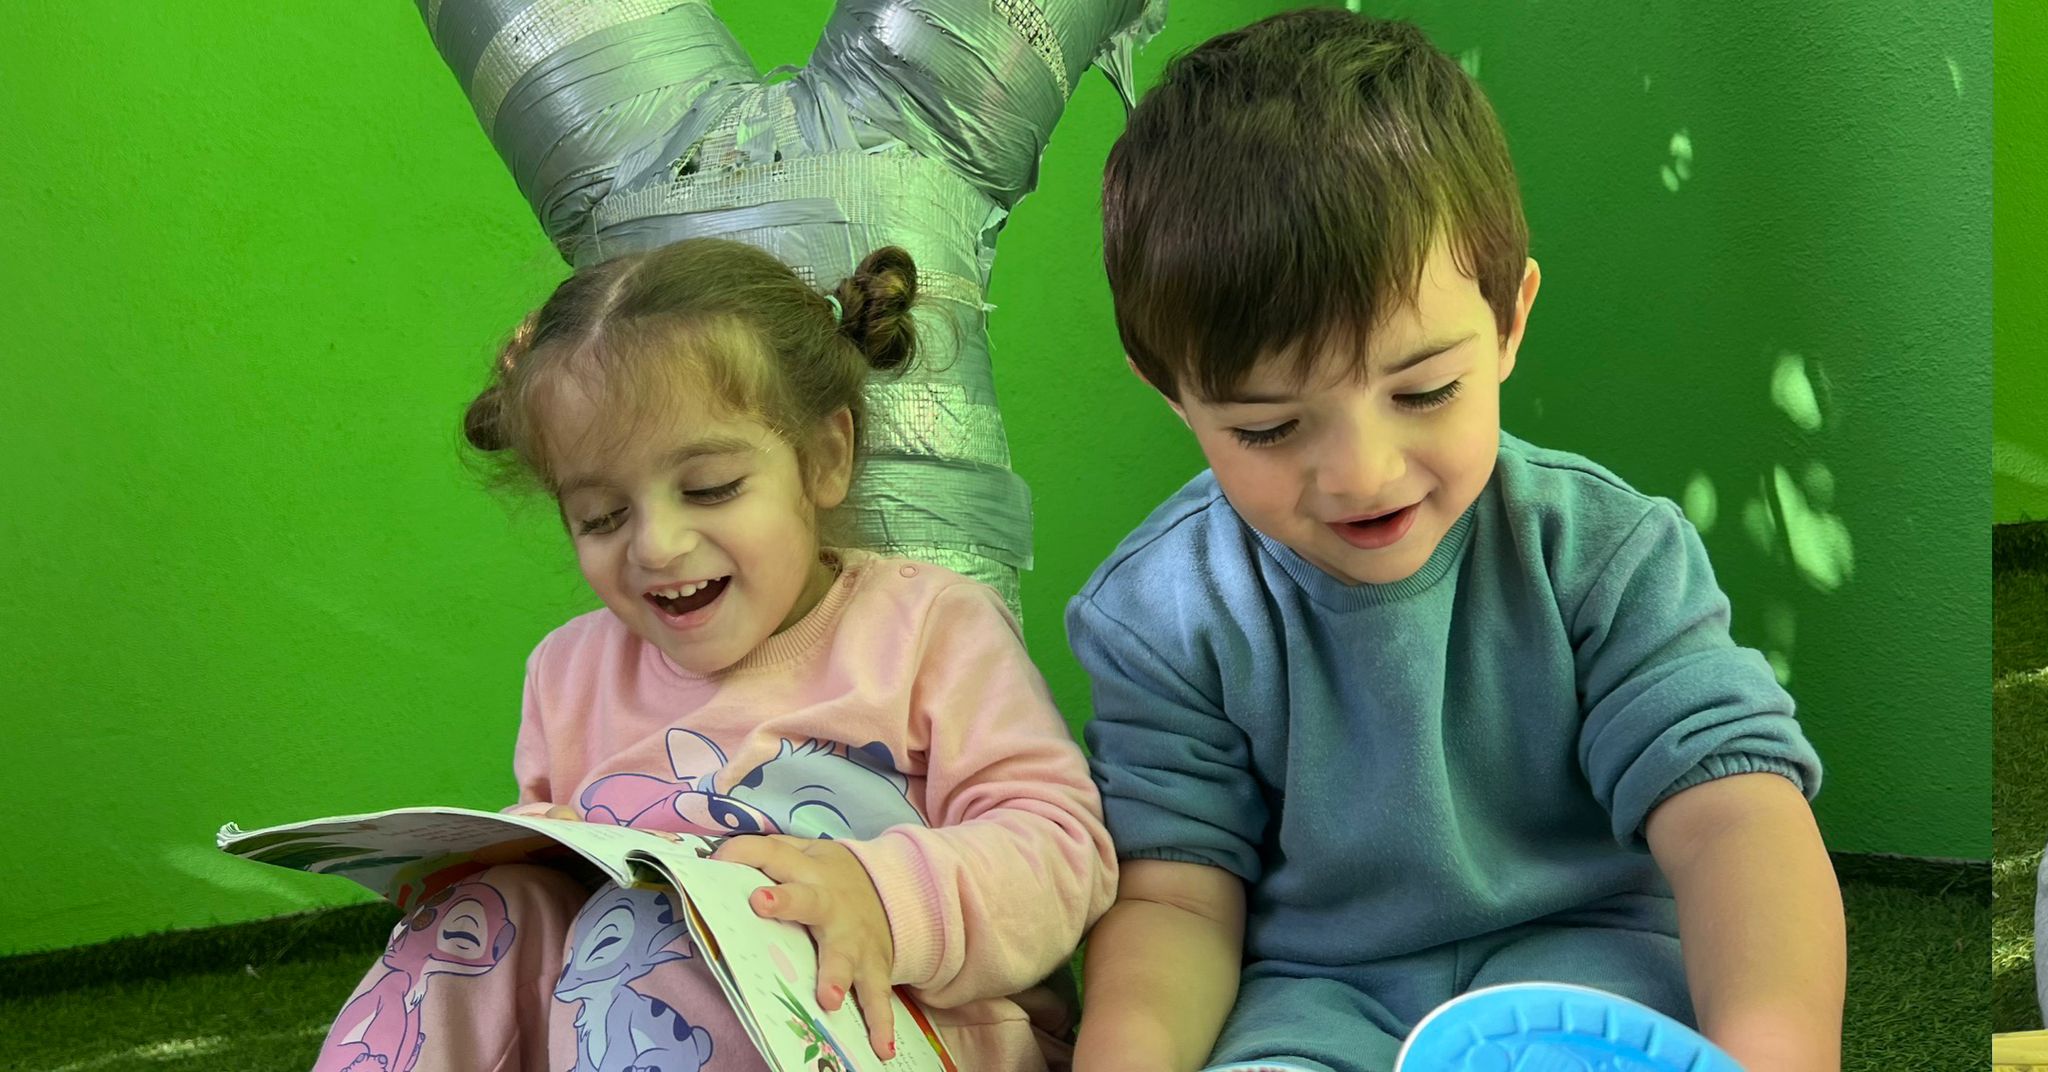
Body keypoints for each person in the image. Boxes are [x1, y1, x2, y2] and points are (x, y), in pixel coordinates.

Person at [1066, 10, 1843, 1072]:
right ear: (1172, 393)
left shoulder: (1604, 553)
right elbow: (1174, 901)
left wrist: (1773, 1050)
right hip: (1310, 1007)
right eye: (1269, 426)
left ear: (1510, 321)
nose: (1361, 473)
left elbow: (1729, 821)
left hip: (1589, 978)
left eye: (1424, 390)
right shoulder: (1155, 616)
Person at [312, 237, 1115, 1072]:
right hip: (625, 1029)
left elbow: (1062, 850)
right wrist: (536, 850)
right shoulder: (567, 672)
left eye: (710, 488)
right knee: (492, 908)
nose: (656, 545)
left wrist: (881, 898)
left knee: (666, 931)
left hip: (903, 1033)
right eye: (601, 517)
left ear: (825, 458)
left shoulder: (930, 629)